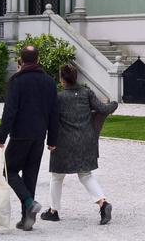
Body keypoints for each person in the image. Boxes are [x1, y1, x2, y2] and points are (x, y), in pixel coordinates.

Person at [41, 64, 118, 225]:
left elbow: (52, 121)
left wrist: (51, 141)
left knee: (57, 176)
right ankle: (103, 204)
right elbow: (103, 109)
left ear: (62, 79)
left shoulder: (59, 97)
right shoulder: (86, 93)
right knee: (86, 174)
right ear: (76, 77)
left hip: (64, 142)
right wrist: (114, 104)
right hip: (86, 140)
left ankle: (53, 210)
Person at [0, 46, 59, 231]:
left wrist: (1, 137)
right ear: (37, 59)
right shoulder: (49, 81)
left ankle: (29, 203)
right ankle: (27, 220)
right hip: (39, 134)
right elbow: (54, 112)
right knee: (30, 176)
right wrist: (52, 139)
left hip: (20, 134)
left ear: (21, 60)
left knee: (9, 171)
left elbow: (10, 111)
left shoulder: (17, 81)